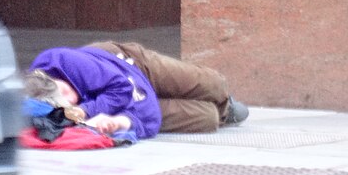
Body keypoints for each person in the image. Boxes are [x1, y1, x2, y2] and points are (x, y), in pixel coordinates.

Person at [26, 40, 249, 139]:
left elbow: (120, 87)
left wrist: (85, 110)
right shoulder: (57, 113)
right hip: (128, 102)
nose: (71, 98)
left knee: (212, 84)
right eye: (67, 103)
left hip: (131, 66)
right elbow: (145, 118)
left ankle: (225, 102)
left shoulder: (62, 61)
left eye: (64, 90)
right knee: (207, 118)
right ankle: (221, 112)